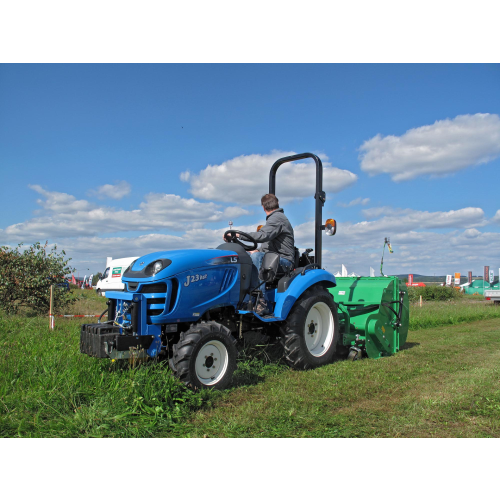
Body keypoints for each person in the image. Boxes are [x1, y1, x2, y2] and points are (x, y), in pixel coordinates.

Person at [224, 193, 295, 315]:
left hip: (284, 261)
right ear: (277, 204)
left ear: (263, 207)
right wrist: (253, 251)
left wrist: (237, 235)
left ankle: (260, 301)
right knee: (246, 255)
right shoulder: (274, 221)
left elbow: (262, 235)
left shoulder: (278, 218)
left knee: (257, 257)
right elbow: (267, 246)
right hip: (273, 258)